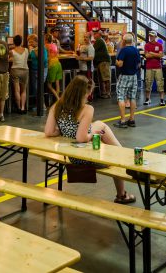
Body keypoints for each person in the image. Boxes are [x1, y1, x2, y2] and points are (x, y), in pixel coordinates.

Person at [44, 76, 135, 204]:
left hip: (71, 156)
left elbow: (48, 132)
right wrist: (92, 133)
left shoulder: (57, 106)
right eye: (88, 93)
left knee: (99, 124)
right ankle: (121, 193)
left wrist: (63, 129)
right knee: (114, 152)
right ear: (83, 93)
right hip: (85, 158)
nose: (89, 96)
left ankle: (122, 153)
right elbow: (81, 138)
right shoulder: (87, 109)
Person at [114, 34, 140, 128]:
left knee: (121, 97)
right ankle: (132, 119)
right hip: (134, 76)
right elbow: (139, 64)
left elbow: (120, 64)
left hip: (124, 76)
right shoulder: (136, 50)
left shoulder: (123, 50)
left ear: (124, 41)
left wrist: (116, 61)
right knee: (132, 97)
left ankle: (123, 120)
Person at [143, 31, 164, 106]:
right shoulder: (147, 45)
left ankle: (162, 99)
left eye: (152, 36)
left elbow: (161, 55)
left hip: (158, 67)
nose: (150, 37)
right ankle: (147, 99)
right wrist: (156, 54)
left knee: (160, 83)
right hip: (149, 67)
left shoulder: (160, 45)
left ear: (155, 37)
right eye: (150, 36)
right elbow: (147, 56)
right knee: (148, 83)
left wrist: (151, 53)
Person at [10, 35, 29, 114]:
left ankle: (18, 107)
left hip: (15, 70)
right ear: (21, 41)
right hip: (25, 70)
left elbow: (10, 59)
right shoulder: (26, 50)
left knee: (17, 90)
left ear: (14, 42)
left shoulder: (12, 51)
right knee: (23, 90)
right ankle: (23, 107)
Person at [93, 29, 112, 98]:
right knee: (102, 78)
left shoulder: (99, 41)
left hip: (104, 61)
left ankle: (107, 93)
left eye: (95, 34)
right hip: (101, 61)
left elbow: (92, 49)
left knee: (106, 78)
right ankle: (104, 93)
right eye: (93, 34)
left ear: (99, 34)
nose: (94, 35)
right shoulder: (99, 40)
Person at [45, 34, 62, 103]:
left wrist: (48, 66)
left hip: (52, 65)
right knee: (57, 84)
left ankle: (58, 99)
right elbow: (57, 53)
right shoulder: (54, 45)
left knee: (49, 84)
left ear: (45, 39)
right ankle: (56, 102)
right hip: (58, 64)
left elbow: (48, 57)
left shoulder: (45, 46)